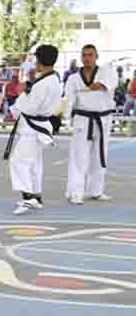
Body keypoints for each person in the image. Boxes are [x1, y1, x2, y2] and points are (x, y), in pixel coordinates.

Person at [6, 44, 63, 215]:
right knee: (34, 163)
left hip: (34, 128)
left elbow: (30, 108)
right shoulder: (52, 80)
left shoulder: (44, 83)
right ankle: (36, 196)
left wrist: (22, 92)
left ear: (40, 61)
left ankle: (28, 197)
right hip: (39, 126)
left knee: (19, 160)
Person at [63, 44, 117, 204]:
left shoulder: (107, 72)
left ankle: (96, 190)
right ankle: (75, 192)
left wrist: (100, 85)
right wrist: (65, 118)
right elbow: (69, 99)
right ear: (81, 57)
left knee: (99, 155)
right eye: (84, 55)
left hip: (103, 119)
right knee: (79, 156)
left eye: (90, 55)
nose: (87, 58)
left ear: (96, 56)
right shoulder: (73, 79)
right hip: (83, 119)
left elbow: (111, 83)